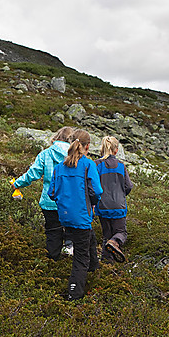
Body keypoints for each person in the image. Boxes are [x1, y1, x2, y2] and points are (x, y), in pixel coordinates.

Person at [48, 129, 102, 301]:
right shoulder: (88, 164)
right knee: (81, 257)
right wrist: (92, 202)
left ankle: (95, 268)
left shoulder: (59, 168)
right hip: (81, 216)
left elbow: (52, 193)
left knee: (88, 238)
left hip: (65, 216)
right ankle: (74, 293)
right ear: (87, 146)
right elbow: (97, 191)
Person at [12, 127, 74, 261]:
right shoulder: (75, 155)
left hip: (49, 201)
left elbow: (32, 174)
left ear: (56, 137)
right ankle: (70, 251)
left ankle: (52, 260)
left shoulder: (45, 154)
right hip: (70, 201)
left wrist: (17, 183)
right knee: (71, 228)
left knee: (53, 231)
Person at [95, 136, 133, 262]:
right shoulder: (121, 166)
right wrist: (120, 195)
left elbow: (92, 186)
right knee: (121, 233)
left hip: (102, 206)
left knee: (106, 235)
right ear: (116, 150)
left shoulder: (96, 165)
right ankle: (114, 242)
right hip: (118, 206)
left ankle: (107, 264)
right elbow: (128, 186)